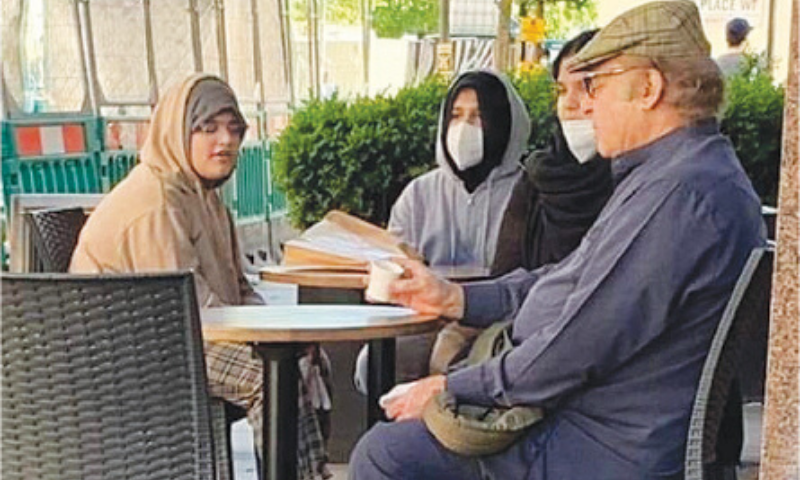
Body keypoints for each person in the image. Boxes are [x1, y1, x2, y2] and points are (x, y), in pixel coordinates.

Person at [349, 1, 765, 479]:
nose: (584, 104)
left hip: (598, 446)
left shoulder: (681, 192)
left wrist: (452, 386)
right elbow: (569, 280)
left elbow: (576, 345)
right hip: (594, 428)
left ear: (649, 88)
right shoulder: (677, 176)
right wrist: (457, 297)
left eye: (596, 85)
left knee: (387, 453)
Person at [70, 75, 330, 480]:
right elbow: (189, 308)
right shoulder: (156, 202)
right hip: (128, 356)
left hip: (177, 339)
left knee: (304, 359)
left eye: (234, 128)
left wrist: (286, 334)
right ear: (176, 131)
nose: (225, 141)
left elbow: (239, 290)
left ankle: (307, 473)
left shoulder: (204, 197)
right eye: (207, 128)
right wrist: (269, 341)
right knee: (267, 374)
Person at [431, 29, 615, 373]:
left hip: (578, 370)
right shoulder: (541, 176)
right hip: (522, 343)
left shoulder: (639, 183)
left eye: (589, 87)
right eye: (562, 90)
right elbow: (508, 275)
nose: (573, 104)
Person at [353, 70, 531, 391]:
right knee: (375, 363)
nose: (464, 128)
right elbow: (394, 261)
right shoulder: (419, 194)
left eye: (478, 117)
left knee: (447, 358)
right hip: (423, 317)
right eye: (456, 116)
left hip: (494, 320)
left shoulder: (528, 192)